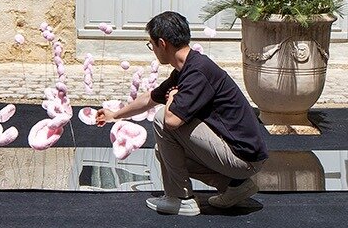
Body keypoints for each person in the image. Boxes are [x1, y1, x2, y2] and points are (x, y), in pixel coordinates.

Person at [96, 11, 268, 216]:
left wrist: (172, 99)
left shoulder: (197, 72)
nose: (152, 50)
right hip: (241, 156)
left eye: (151, 45)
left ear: (162, 43)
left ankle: (180, 199)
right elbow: (150, 97)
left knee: (162, 119)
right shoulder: (187, 68)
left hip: (242, 158)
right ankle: (235, 186)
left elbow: (171, 120)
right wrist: (114, 115)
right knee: (165, 152)